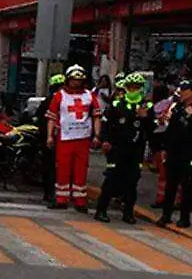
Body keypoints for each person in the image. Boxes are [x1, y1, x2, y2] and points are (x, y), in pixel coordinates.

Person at [94, 73, 152, 224]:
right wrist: (104, 140)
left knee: (132, 182)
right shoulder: (116, 105)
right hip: (117, 148)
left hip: (135, 150)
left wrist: (145, 117)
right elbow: (106, 124)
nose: (133, 90)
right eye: (130, 87)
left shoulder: (147, 107)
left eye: (137, 87)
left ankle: (128, 213)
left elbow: (153, 129)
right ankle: (101, 210)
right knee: (111, 179)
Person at [46, 64, 102, 211]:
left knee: (81, 169)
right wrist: (49, 136)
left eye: (79, 80)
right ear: (68, 80)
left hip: (83, 138)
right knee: (63, 168)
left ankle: (80, 200)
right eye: (73, 80)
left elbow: (96, 117)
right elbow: (51, 117)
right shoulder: (59, 96)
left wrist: (97, 135)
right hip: (65, 137)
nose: (76, 83)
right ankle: (61, 199)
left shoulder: (90, 96)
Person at [158, 80, 192, 228]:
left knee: (187, 185)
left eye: (185, 89)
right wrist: (165, 148)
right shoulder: (177, 107)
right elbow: (170, 129)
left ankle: (185, 217)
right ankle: (166, 215)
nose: (181, 92)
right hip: (174, 151)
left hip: (190, 152)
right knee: (170, 185)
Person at [35, 73, 65, 204]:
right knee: (51, 167)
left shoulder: (60, 100)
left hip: (57, 138)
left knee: (52, 167)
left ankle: (52, 193)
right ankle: (50, 193)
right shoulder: (51, 101)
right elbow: (42, 119)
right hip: (52, 138)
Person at [150, 77, 177, 207]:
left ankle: (166, 200)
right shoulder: (167, 104)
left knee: (166, 174)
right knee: (165, 174)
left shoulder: (166, 105)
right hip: (163, 141)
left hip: (164, 141)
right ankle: (164, 199)